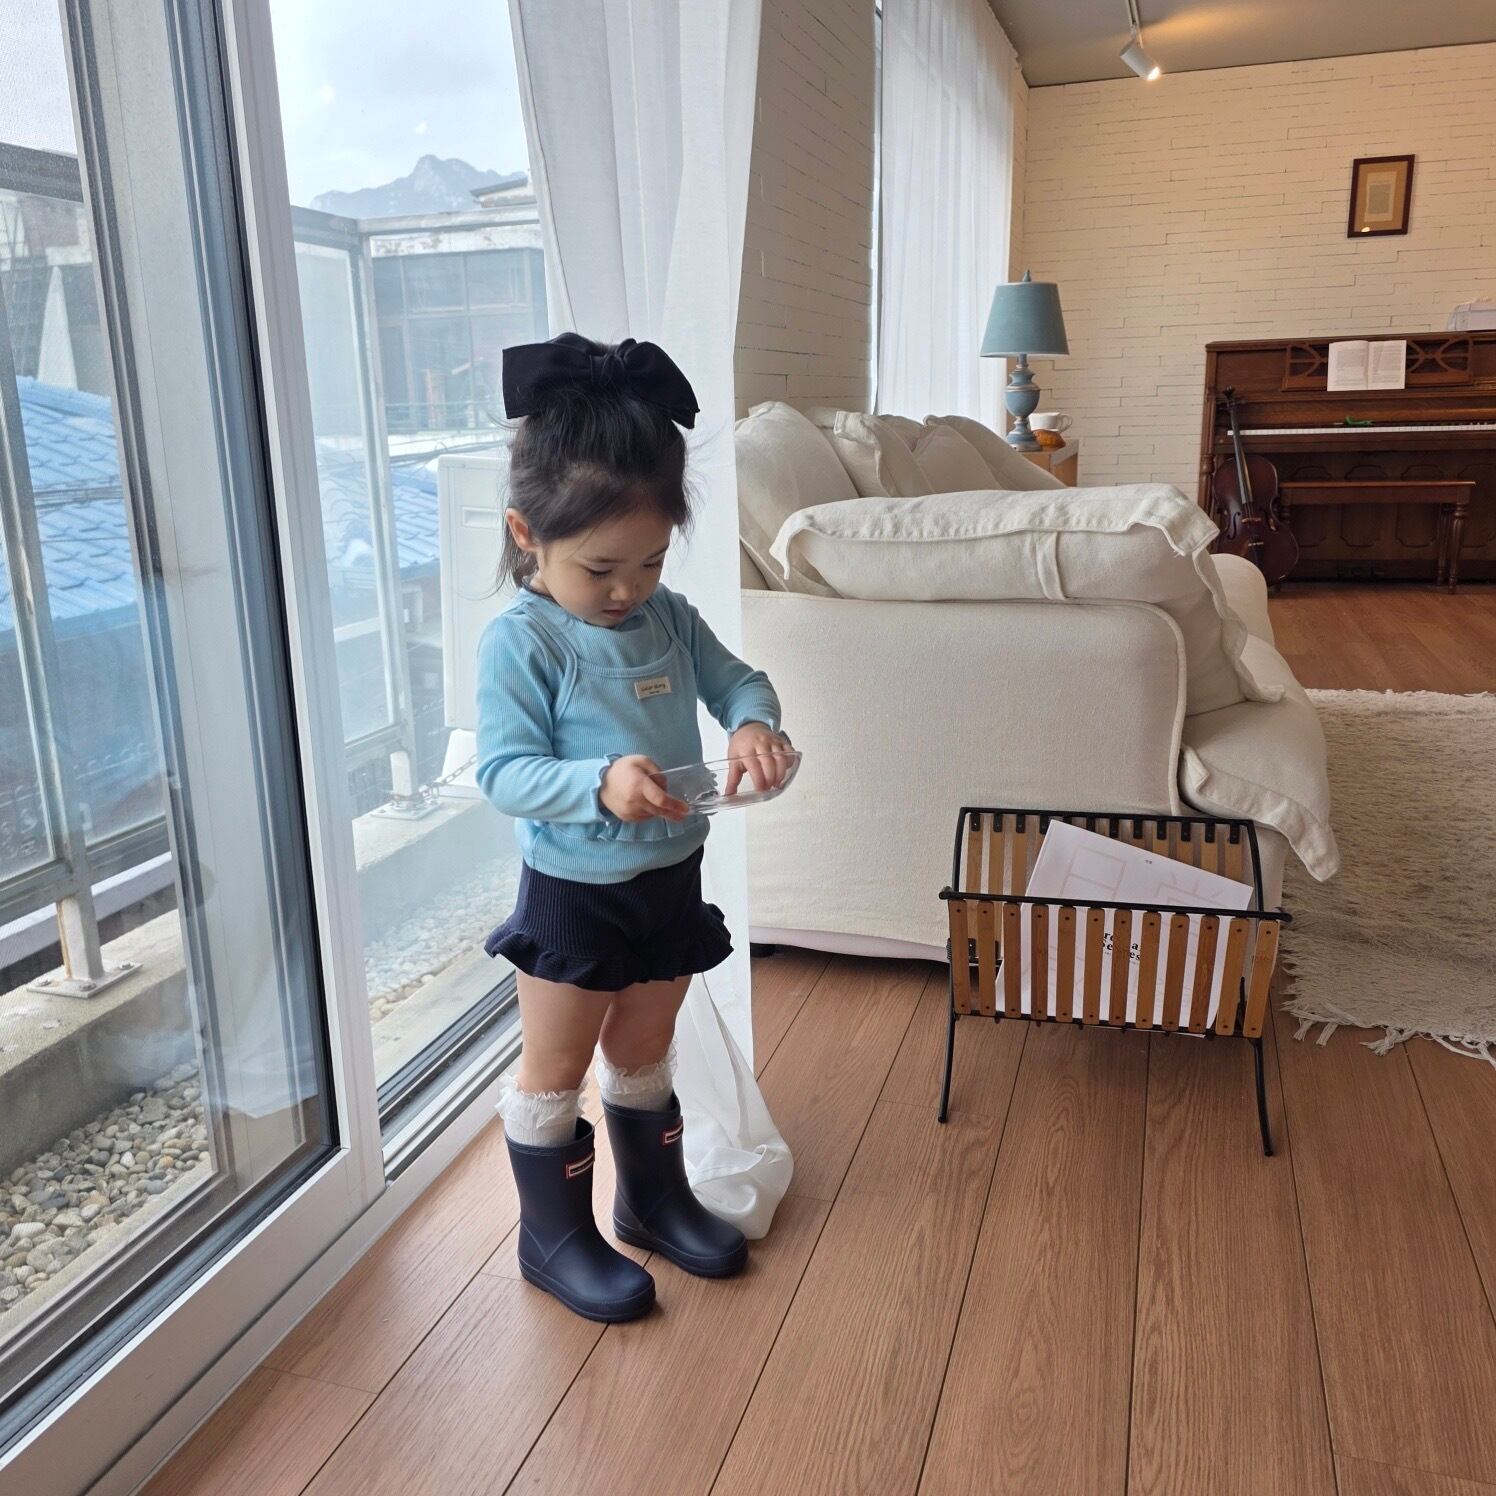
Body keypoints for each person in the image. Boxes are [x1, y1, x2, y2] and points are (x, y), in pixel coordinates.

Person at [476, 332, 794, 1323]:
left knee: (645, 1048)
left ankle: (649, 1200)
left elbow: (738, 680)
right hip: (573, 894)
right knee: (555, 1070)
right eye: (601, 567)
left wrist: (754, 725)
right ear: (526, 534)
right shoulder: (523, 641)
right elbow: (502, 771)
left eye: (650, 560)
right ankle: (552, 1236)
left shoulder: (667, 618)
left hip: (667, 876)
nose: (627, 588)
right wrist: (598, 784)